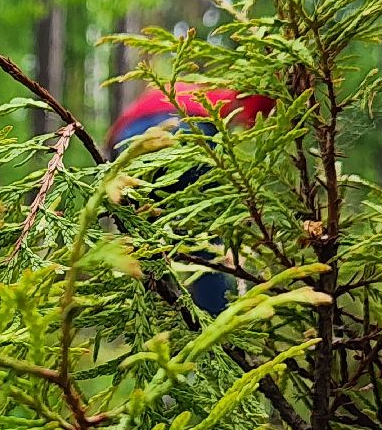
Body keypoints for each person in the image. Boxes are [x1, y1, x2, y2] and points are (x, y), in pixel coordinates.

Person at [107, 83, 275, 315]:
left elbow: (113, 136)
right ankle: (215, 327)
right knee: (206, 236)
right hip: (186, 128)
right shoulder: (221, 103)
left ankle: (147, 320)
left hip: (128, 139)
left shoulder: (183, 88)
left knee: (143, 241)